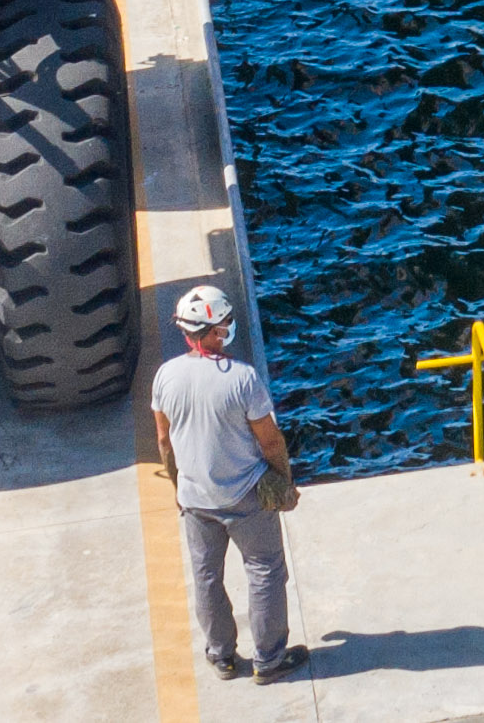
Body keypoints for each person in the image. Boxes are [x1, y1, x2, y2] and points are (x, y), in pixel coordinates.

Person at [152, 285, 305, 682]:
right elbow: (270, 441)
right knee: (265, 571)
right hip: (246, 497)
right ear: (216, 329)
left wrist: (179, 489)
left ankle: (221, 656)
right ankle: (268, 660)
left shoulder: (165, 376)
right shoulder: (243, 378)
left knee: (206, 578)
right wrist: (284, 483)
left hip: (195, 500)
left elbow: (164, 441)